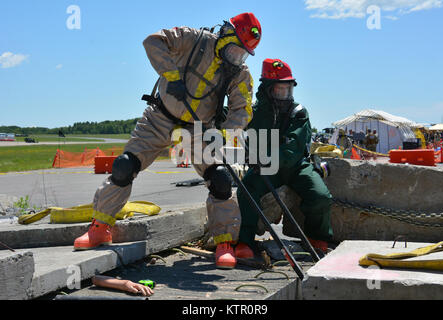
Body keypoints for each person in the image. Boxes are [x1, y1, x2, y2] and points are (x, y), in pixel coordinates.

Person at [73, 13, 262, 270]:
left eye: (242, 54)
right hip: (160, 116)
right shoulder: (193, 39)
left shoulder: (239, 72)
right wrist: (172, 77)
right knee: (124, 166)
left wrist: (224, 135)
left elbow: (242, 110)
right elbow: (153, 42)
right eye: (234, 50)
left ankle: (224, 242)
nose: (236, 58)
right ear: (224, 36)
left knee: (219, 178)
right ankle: (100, 227)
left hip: (199, 128)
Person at [235, 59, 334, 259]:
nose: (286, 95)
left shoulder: (299, 112)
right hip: (266, 168)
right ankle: (245, 241)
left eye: (288, 89)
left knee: (320, 196)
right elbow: (235, 126)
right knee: (246, 191)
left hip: (297, 167)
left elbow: (293, 149)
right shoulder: (253, 112)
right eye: (281, 90)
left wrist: (266, 158)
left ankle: (317, 238)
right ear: (269, 89)